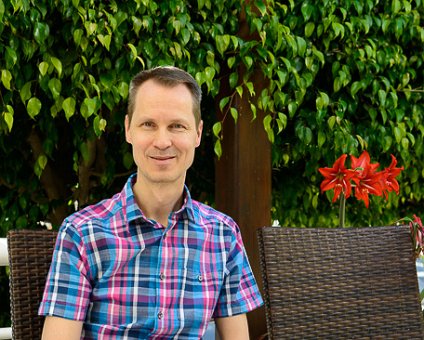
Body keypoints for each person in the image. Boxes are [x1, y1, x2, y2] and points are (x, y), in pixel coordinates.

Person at [39, 66, 263, 339]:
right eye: (148, 124)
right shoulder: (82, 234)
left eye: (177, 126)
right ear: (128, 130)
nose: (162, 141)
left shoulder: (223, 235)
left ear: (198, 134)